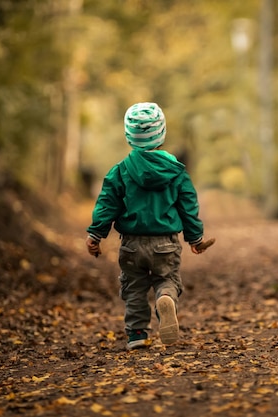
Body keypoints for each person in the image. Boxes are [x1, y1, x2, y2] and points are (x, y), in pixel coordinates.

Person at [85, 102, 210, 350]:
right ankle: (165, 298)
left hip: (131, 243)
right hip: (166, 242)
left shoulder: (119, 172)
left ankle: (138, 333)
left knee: (134, 288)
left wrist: (96, 234)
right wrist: (195, 237)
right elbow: (188, 205)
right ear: (162, 133)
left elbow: (107, 204)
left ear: (128, 136)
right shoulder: (176, 171)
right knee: (167, 279)